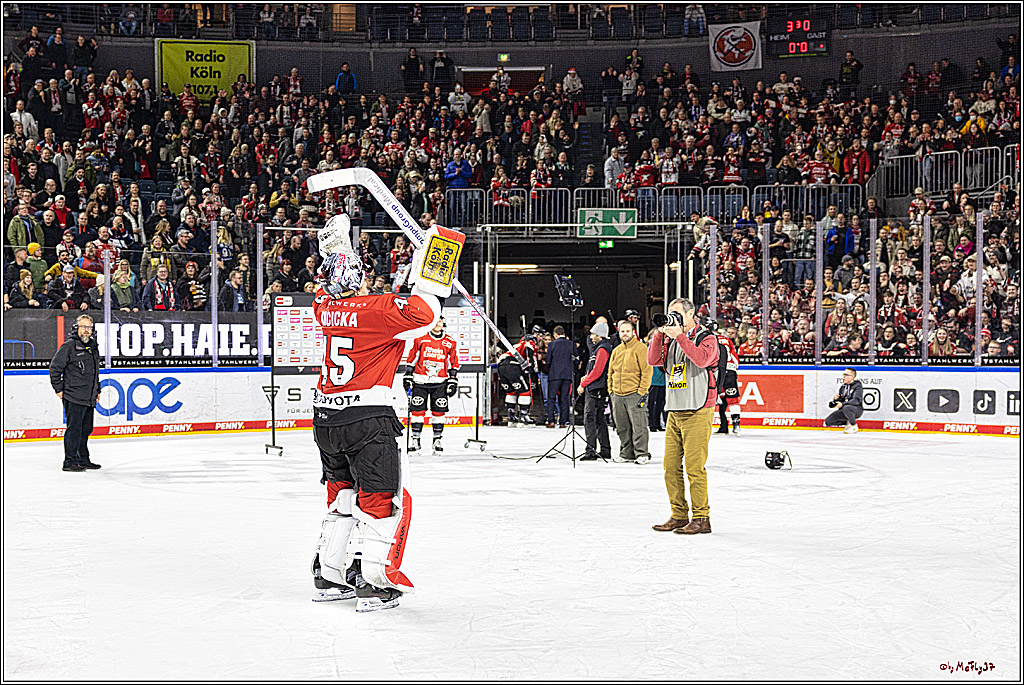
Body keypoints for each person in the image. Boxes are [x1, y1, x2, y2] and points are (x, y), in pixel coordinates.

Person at [309, 215, 459, 613]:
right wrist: (434, 263)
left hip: (325, 419)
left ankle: (329, 573)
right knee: (379, 498)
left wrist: (338, 244)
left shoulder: (324, 307)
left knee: (340, 496)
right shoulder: (376, 310)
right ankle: (374, 582)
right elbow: (425, 314)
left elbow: (336, 284)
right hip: (366, 418)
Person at [647, 298, 719, 535]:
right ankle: (679, 515)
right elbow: (653, 360)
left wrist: (679, 335)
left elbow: (701, 359)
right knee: (670, 467)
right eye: (670, 314)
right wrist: (660, 334)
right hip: (676, 408)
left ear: (691, 315)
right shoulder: (671, 339)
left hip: (698, 408)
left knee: (694, 467)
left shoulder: (707, 338)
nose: (674, 318)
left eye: (677, 314)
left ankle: (701, 517)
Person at [48, 314, 101, 472]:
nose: (87, 331)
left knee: (86, 430)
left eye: (89, 327)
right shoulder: (70, 346)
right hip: (73, 396)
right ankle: (70, 461)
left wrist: (97, 390)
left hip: (89, 396)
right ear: (76, 328)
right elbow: (55, 368)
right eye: (84, 327)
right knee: (74, 430)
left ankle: (83, 459)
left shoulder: (92, 346)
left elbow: (95, 371)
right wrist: (58, 389)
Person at [402, 317, 460, 454]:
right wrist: (408, 374)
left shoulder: (450, 342)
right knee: (417, 412)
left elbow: (453, 361)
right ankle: (415, 440)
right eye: (435, 321)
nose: (438, 324)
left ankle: (437, 440)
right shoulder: (421, 338)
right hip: (420, 381)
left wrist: (453, 379)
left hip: (440, 382)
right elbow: (412, 357)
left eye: (440, 321)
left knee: (439, 412)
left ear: (443, 323)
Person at [607, 320, 652, 464]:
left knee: (639, 425)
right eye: (622, 331)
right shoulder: (617, 351)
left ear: (633, 332)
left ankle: (641, 453)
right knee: (622, 426)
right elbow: (610, 372)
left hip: (634, 394)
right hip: (617, 395)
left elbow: (646, 371)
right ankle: (626, 453)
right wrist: (611, 390)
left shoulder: (641, 348)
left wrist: (642, 391)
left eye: (627, 331)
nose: (625, 334)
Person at [577, 321, 613, 461]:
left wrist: (584, 384)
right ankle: (605, 449)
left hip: (595, 389)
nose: (591, 336)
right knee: (599, 419)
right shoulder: (599, 348)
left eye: (593, 334)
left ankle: (590, 450)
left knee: (590, 418)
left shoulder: (602, 349)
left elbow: (598, 371)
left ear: (599, 335)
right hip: (596, 387)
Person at [496, 335, 537, 426]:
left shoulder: (515, 346)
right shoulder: (528, 343)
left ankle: (511, 417)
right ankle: (523, 417)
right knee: (525, 391)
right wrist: (531, 367)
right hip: (512, 366)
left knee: (511, 392)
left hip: (501, 366)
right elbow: (529, 352)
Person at [712, 320, 742, 435]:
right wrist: (733, 369)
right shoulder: (727, 339)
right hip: (730, 372)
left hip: (718, 371)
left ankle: (723, 426)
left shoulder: (708, 339)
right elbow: (734, 357)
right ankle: (735, 425)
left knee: (719, 399)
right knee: (732, 400)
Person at [544, 326, 575, 428]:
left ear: (555, 335)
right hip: (567, 374)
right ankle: (563, 422)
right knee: (565, 398)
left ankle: (551, 421)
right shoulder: (571, 344)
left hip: (554, 374)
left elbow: (548, 360)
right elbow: (576, 360)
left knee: (551, 398)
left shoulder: (552, 344)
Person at [824, 367, 864, 434]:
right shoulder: (843, 387)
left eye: (846, 375)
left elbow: (856, 400)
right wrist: (835, 401)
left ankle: (853, 425)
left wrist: (842, 404)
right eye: (843, 375)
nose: (844, 377)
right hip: (845, 409)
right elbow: (841, 400)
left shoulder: (858, 386)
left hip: (856, 409)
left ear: (852, 377)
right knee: (828, 421)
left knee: (847, 408)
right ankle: (848, 423)